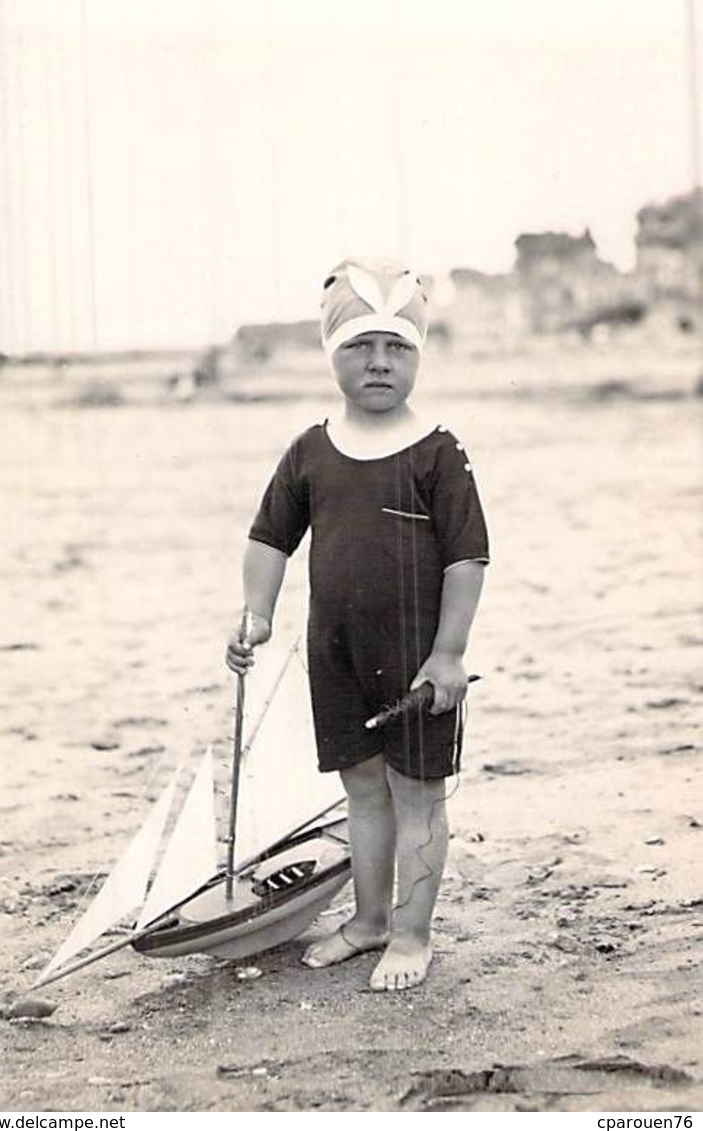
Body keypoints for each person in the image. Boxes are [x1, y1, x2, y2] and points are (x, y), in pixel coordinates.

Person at [226, 257, 489, 991]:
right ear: (331, 354)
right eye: (359, 346)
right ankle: (369, 919)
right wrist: (256, 615)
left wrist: (448, 654)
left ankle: (411, 933)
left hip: (413, 659)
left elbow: (466, 560)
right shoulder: (310, 449)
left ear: (418, 355)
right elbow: (268, 539)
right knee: (361, 791)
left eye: (397, 346)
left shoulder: (437, 450)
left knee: (418, 796)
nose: (379, 362)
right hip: (333, 652)